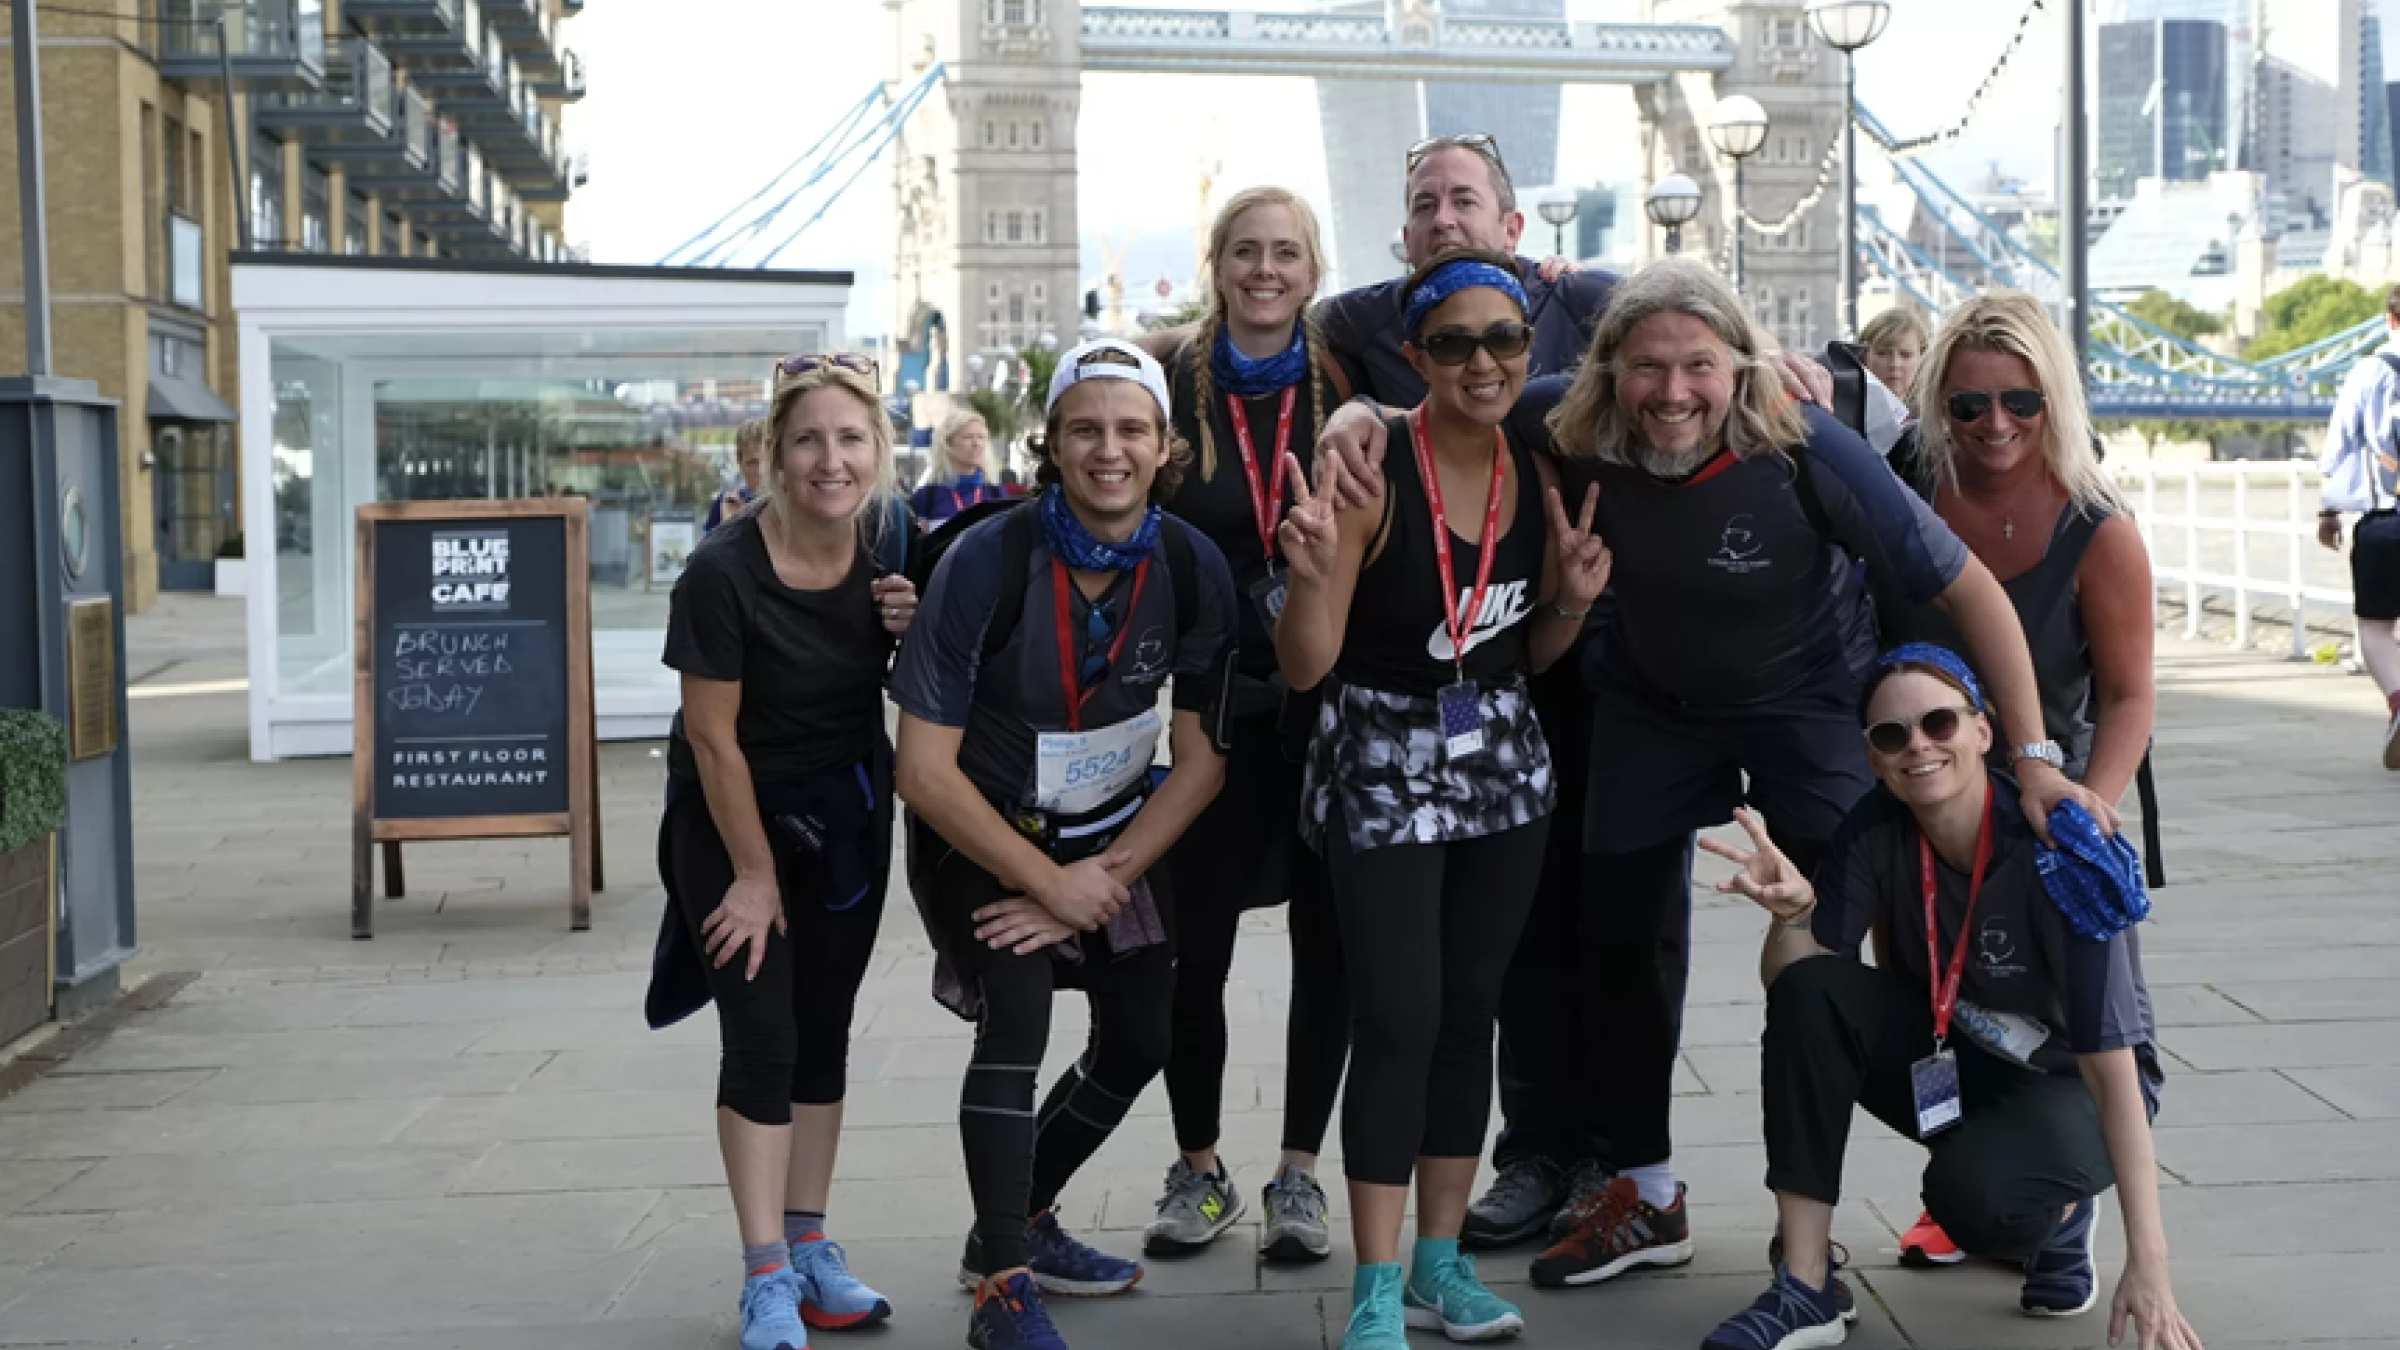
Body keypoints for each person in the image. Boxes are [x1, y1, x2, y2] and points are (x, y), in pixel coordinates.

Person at [1312, 258, 2110, 1297]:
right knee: (1618, 933)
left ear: (1738, 369)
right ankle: (1645, 1191)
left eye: (1699, 365)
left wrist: (2037, 760)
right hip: (1653, 706)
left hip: (1806, 702)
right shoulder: (1567, 414)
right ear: (1608, 372)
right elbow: (1458, 401)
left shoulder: (1801, 444)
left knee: (1866, 946)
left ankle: (2019, 1181)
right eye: (1647, 367)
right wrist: (1354, 417)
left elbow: (1971, 589)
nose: (1673, 392)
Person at [1274, 248, 1614, 1350]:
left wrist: (1567, 601)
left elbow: (1536, 651)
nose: (1484, 361)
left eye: (1505, 339)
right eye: (1455, 342)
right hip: (1379, 757)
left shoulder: (1539, 463)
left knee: (1471, 1016)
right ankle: (1376, 1287)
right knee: (1399, 1019)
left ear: (1530, 349)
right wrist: (1318, 571)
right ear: (1416, 355)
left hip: (1501, 760)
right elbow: (1305, 668)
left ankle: (1441, 1262)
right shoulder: (1373, 468)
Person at [1693, 645, 2199, 1350]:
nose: (1917, 747)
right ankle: (1805, 1284)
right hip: (1958, 1051)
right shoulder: (1874, 826)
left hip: (2070, 1083)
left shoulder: (2060, 849)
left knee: (1974, 1203)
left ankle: (2059, 1208)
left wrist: (2151, 1267)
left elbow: (2111, 1068)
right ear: (1872, 755)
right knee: (1814, 988)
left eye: (1939, 723)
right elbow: (1798, 997)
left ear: (1983, 731)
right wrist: (1793, 917)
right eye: (1891, 735)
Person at [891, 339, 1237, 1350]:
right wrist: (1040, 881)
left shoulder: (1188, 564)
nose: (1110, 450)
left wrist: (1098, 879)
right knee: (1017, 1023)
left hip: (1114, 839)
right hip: (981, 833)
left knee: (1142, 1040)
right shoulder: (983, 561)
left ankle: (1016, 1220)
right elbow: (925, 772)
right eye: (1086, 428)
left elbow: (1205, 761)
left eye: (1133, 428)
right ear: (1050, 441)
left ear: (1165, 444)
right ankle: (1004, 1285)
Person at [1868, 291, 2157, 1268]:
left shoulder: (2097, 527)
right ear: (1936, 404)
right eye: (1969, 404)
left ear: (2056, 403)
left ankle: (2071, 1199)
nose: (1996, 426)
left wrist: (2095, 811)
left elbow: (2127, 697)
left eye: (2022, 403)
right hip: (1922, 801)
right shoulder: (1904, 491)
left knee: (2074, 1032)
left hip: (2044, 815)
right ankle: (1968, 1187)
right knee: (1927, 1003)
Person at [651, 353, 922, 1350]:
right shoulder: (722, 574)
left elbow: (938, 674)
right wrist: (755, 877)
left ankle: (810, 1247)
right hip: (731, 823)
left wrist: (917, 619)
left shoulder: (895, 539)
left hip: (846, 812)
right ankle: (764, 1272)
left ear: (879, 451)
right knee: (761, 1039)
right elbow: (712, 739)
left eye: (851, 439)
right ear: (772, 451)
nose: (830, 459)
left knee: (824, 1030)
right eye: (807, 438)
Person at [1144, 185, 1349, 1264]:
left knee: (1330, 950)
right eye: (1244, 253)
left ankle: (1300, 1177)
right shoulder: (1170, 378)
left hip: (1326, 709)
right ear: (1215, 265)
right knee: (1194, 955)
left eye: (1286, 254)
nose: (1265, 271)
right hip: (1203, 713)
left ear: (1315, 271)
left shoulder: (1352, 380)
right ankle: (1200, 1167)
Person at [2315, 281, 2400, 769]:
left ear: (2390, 320)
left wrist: (2329, 510)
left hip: (2385, 522)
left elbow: (2340, 445)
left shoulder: (2370, 371)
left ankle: (2397, 700)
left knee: (2376, 627)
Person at [911, 408, 1014, 524]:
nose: (976, 444)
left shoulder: (997, 494)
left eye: (981, 437)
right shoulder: (926, 497)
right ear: (948, 443)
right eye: (968, 437)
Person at [706, 417, 772, 534]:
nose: (760, 471)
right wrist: (728, 527)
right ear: (739, 461)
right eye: (752, 463)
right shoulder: (725, 504)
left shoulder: (791, 506)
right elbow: (705, 550)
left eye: (767, 462)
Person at [1858, 306, 1931, 405]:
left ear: (1922, 358)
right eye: (1883, 353)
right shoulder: (1840, 408)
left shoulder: (1936, 412)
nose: (1895, 364)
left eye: (1905, 355)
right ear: (1864, 356)